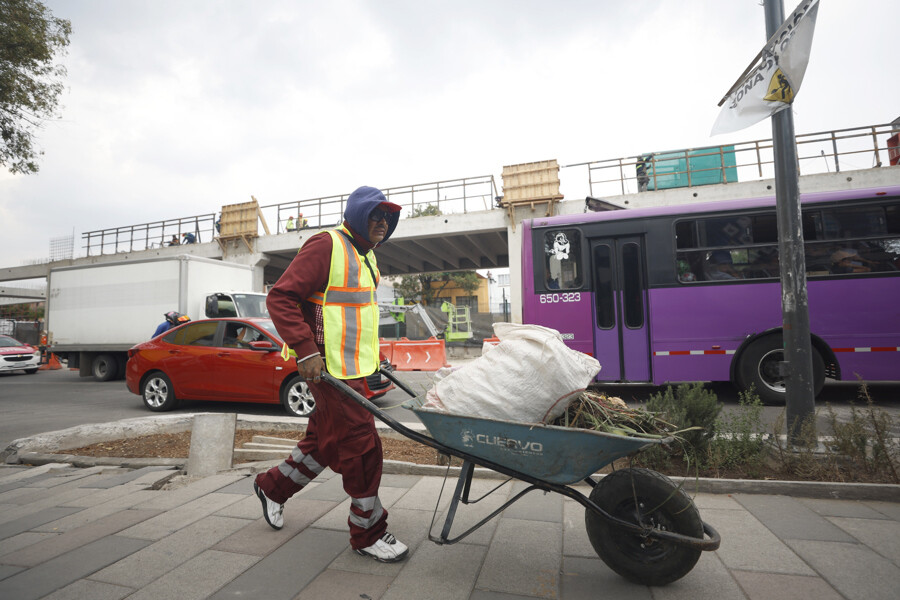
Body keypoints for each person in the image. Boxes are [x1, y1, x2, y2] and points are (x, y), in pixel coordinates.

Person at [253, 186, 407, 563]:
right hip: (328, 370)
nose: (382, 222)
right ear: (357, 215)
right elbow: (281, 298)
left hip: (351, 370)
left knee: (323, 441)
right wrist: (306, 351)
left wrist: (375, 361)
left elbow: (353, 318)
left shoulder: (366, 258)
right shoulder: (327, 245)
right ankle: (368, 532)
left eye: (387, 217)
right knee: (362, 447)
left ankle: (272, 488)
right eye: (375, 214)